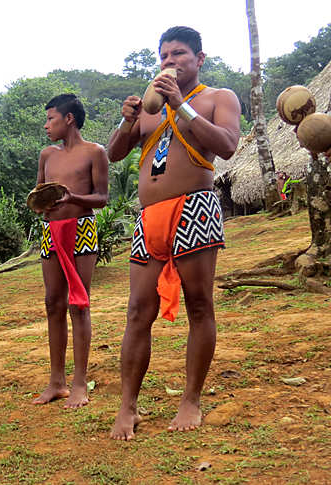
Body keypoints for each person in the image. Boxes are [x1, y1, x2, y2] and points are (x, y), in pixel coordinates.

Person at [106, 26, 241, 440]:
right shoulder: (148, 108)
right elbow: (113, 154)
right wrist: (128, 121)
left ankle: (191, 399)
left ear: (199, 59)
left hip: (195, 206)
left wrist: (181, 106)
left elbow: (227, 145)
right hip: (149, 216)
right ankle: (128, 406)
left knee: (199, 306)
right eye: (163, 55)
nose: (169, 61)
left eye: (179, 54)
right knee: (136, 312)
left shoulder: (219, 98)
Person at [31, 94, 109, 408]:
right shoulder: (47, 155)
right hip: (51, 231)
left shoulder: (95, 152)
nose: (46, 125)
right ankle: (56, 382)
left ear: (69, 119)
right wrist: (42, 206)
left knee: (78, 303)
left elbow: (101, 197)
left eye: (51, 118)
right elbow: (38, 193)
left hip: (81, 229)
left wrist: (71, 199)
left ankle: (79, 383)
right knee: (53, 303)